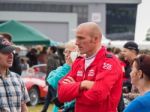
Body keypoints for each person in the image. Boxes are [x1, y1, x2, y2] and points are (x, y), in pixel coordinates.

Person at [58, 22, 123, 112]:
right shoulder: (79, 61)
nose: (76, 42)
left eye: (81, 38)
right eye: (76, 38)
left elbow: (98, 95)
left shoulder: (109, 62)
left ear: (95, 39)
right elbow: (61, 94)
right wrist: (82, 84)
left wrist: (74, 90)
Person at [47, 40, 78, 112]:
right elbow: (53, 83)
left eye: (70, 52)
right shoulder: (61, 69)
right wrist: (67, 66)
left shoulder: (83, 70)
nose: (67, 55)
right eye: (66, 52)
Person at [0, 38, 30, 112]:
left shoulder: (17, 78)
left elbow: (23, 107)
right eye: (6, 52)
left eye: (12, 51)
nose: (11, 55)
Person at [41, 46, 60, 112]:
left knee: (54, 96)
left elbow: (49, 70)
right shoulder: (57, 58)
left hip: (51, 79)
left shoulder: (50, 58)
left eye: (48, 49)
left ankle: (61, 107)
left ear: (51, 50)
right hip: (55, 78)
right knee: (48, 97)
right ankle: (44, 110)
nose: (47, 50)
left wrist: (47, 80)